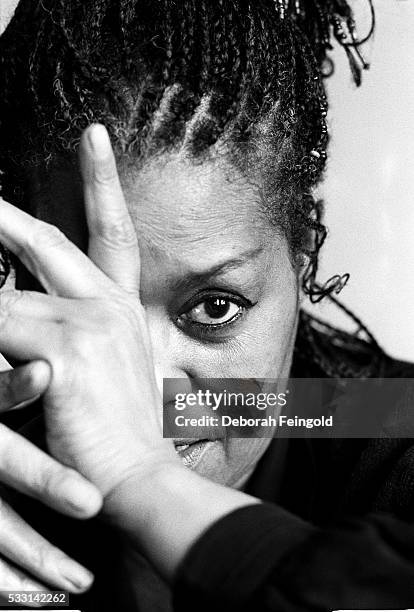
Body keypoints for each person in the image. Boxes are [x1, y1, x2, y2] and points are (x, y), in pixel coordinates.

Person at [1, 0, 414, 610]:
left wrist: (140, 477)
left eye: (215, 308)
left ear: (301, 257)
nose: (143, 388)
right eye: (80, 302)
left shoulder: (383, 426)